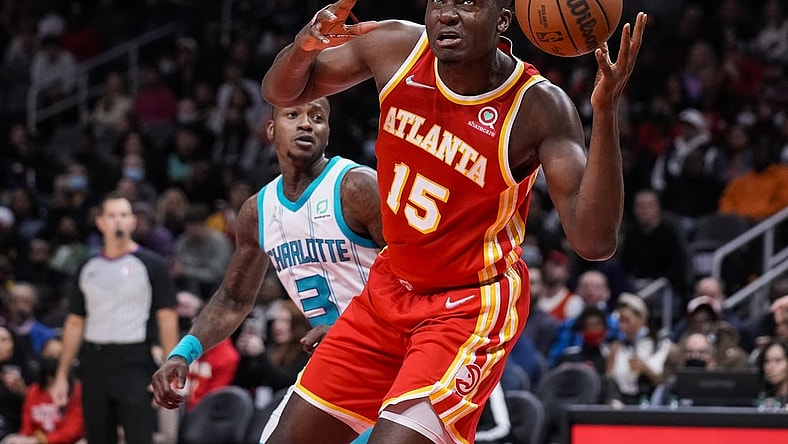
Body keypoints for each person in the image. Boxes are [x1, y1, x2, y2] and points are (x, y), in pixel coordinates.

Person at [155, 1, 647, 442]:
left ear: (503, 20)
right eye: (439, 1)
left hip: (468, 304)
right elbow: (282, 90)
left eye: (468, 3)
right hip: (389, 290)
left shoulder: (538, 106)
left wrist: (604, 112)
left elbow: (594, 241)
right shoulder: (397, 47)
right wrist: (306, 43)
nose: (447, 13)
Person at [152, 97, 384, 441]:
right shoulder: (258, 211)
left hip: (392, 351)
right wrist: (183, 353)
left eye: (317, 117)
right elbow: (233, 300)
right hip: (336, 361)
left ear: (328, 132)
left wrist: (352, 327)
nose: (306, 124)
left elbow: (412, 273)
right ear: (271, 130)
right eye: (294, 115)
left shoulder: (357, 186)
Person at [51, 193, 179, 444]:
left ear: (132, 222)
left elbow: (167, 319)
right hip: (94, 361)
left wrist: (170, 368)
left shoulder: (152, 265)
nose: (118, 221)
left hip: (135, 361)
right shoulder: (86, 267)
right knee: (97, 436)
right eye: (111, 215)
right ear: (100, 222)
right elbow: (75, 322)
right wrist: (62, 375)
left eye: (123, 215)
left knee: (139, 437)